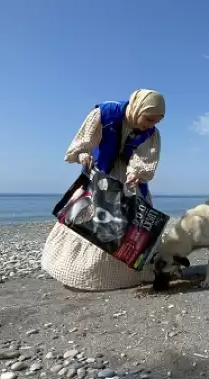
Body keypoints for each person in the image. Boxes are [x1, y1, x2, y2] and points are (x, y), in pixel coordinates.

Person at [41, 89, 165, 291]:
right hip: (101, 173)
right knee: (90, 219)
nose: (150, 125)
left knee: (131, 223)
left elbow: (145, 159)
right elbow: (83, 142)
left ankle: (129, 275)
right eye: (148, 118)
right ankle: (81, 273)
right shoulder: (105, 114)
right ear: (137, 107)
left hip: (128, 179)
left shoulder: (151, 133)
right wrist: (82, 154)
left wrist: (136, 172)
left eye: (156, 121)